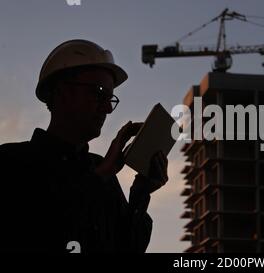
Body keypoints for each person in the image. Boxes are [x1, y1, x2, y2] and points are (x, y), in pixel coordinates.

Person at [0, 39, 168, 253]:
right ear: (61, 92)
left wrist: (141, 192)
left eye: (111, 98)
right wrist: (101, 176)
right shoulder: (11, 162)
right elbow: (43, 229)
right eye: (99, 92)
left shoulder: (101, 172)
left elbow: (127, 248)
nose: (107, 107)